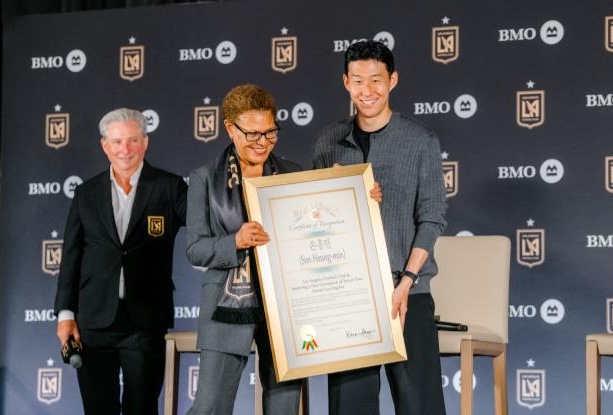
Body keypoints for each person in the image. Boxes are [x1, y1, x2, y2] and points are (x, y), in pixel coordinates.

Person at [312, 40, 447, 415]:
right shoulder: (327, 143)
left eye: (376, 80)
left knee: (420, 406)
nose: (366, 90)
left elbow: (432, 216)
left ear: (393, 80)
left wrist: (407, 281)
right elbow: (312, 224)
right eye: (357, 81)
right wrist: (333, 194)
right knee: (350, 407)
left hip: (408, 293)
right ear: (346, 82)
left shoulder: (420, 141)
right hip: (348, 296)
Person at [54, 107, 187, 415]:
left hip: (145, 321)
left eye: (132, 140)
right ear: (105, 146)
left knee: (142, 409)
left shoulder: (170, 187)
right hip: (92, 321)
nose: (124, 149)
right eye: (116, 142)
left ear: (145, 142)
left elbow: (203, 229)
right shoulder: (86, 193)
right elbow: (71, 255)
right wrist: (65, 314)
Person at [185, 84, 304, 415]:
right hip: (226, 307)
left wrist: (359, 193)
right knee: (210, 408)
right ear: (229, 127)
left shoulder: (293, 174)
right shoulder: (204, 178)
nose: (262, 142)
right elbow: (195, 249)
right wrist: (234, 241)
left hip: (284, 308)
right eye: (252, 134)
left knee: (284, 409)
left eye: (270, 132)